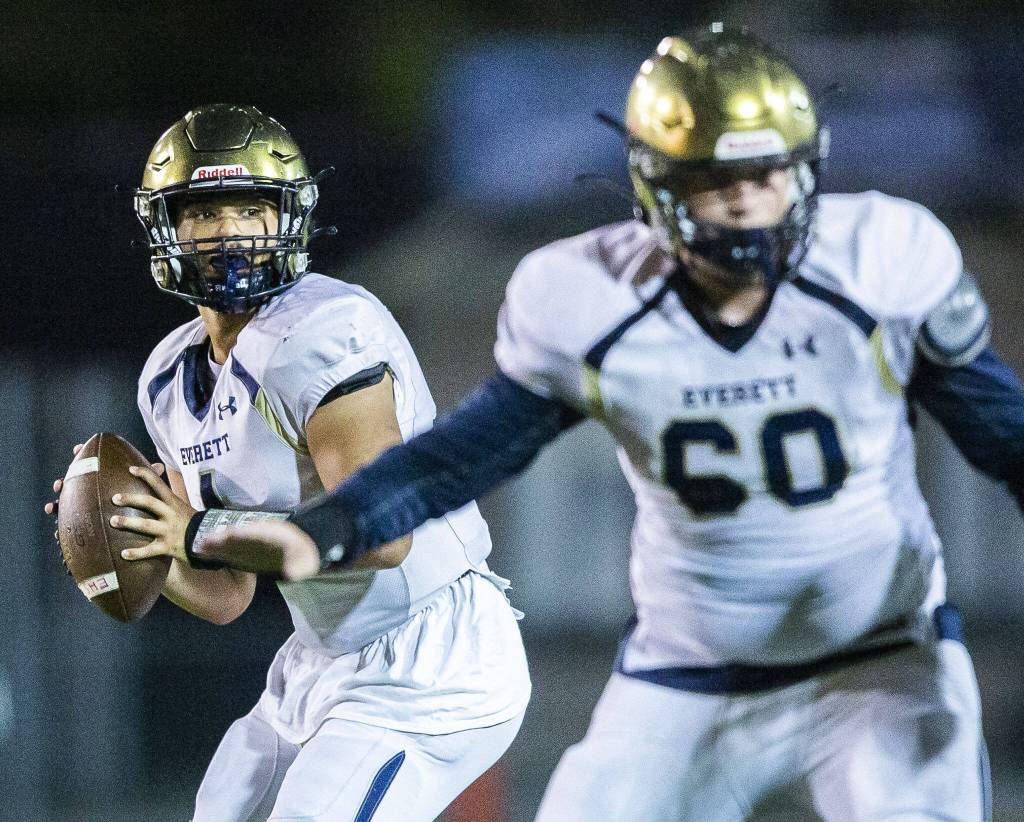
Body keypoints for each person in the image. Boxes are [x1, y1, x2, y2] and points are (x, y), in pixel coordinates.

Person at [193, 28, 1011, 820]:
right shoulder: (591, 298)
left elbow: (1003, 433)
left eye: (769, 174)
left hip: (881, 664)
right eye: (715, 180)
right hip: (686, 679)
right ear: (657, 184)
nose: (748, 204)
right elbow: (462, 457)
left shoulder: (884, 259)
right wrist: (330, 529)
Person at [48, 104, 529, 821]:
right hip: (317, 661)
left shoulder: (327, 330)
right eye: (203, 213)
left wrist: (195, 530)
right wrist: (145, 536)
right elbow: (228, 596)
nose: (229, 232)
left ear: (289, 216)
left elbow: (380, 533)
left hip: (431, 659)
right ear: (165, 228)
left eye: (249, 207)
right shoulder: (165, 375)